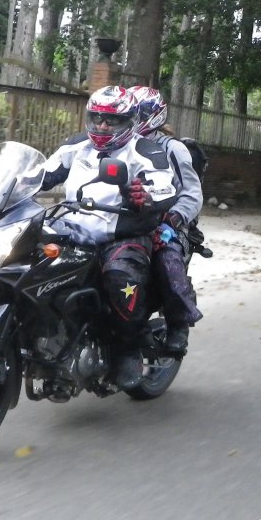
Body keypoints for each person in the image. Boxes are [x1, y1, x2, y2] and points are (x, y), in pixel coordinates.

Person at [37, 85, 178, 389]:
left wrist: (144, 194)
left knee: (118, 277)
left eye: (111, 120)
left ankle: (128, 348)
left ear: (129, 121)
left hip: (121, 234)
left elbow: (165, 185)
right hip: (71, 230)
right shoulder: (77, 146)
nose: (102, 126)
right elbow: (41, 174)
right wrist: (10, 185)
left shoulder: (144, 150)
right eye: (97, 118)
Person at [127, 85, 204, 357]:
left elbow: (193, 195)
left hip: (167, 226)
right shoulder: (118, 145)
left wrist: (171, 220)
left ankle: (179, 322)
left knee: (166, 260)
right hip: (124, 223)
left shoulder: (173, 149)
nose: (131, 120)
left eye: (136, 114)